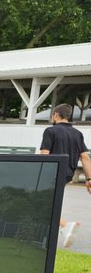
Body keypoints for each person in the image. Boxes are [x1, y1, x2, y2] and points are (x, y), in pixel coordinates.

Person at [39, 103, 91, 247]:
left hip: (51, 174)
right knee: (48, 205)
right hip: (67, 174)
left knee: (42, 205)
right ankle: (53, 236)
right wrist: (89, 179)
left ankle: (65, 226)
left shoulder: (50, 131)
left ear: (56, 115)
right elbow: (85, 157)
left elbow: (45, 155)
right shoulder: (77, 134)